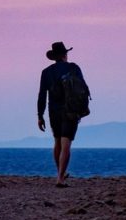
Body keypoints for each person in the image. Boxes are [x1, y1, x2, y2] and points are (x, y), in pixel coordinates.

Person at [37, 41, 88, 187]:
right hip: (70, 110)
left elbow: (42, 95)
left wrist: (40, 115)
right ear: (65, 55)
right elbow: (82, 88)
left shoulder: (46, 72)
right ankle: (60, 178)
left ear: (54, 57)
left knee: (57, 142)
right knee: (66, 144)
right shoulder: (74, 68)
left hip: (54, 111)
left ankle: (60, 173)